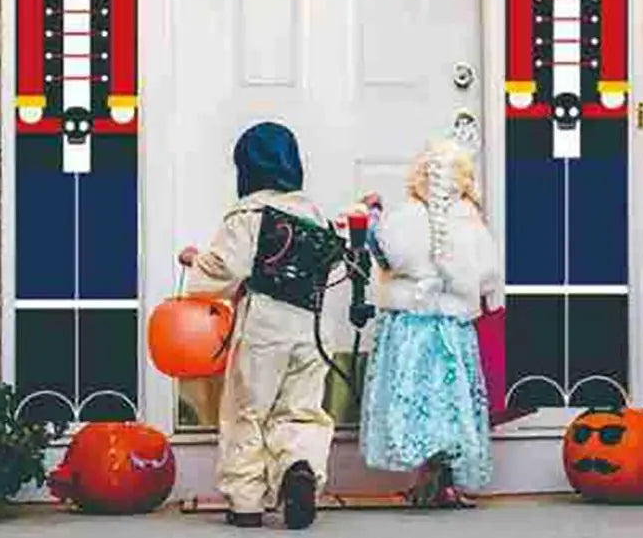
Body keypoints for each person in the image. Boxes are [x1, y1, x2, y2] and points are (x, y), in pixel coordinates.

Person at [178, 122, 341, 530]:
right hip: (313, 326)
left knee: (247, 409)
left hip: (266, 325)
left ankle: (246, 502)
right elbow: (331, 261)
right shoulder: (314, 212)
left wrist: (195, 261)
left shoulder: (248, 213)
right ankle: (299, 467)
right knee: (301, 407)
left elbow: (228, 266)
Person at [359, 138, 503, 508]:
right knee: (450, 400)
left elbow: (388, 256)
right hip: (452, 326)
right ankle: (448, 479)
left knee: (416, 398)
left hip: (410, 323)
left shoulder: (404, 216)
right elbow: (487, 276)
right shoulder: (470, 222)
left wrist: (373, 215)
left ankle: (425, 474)